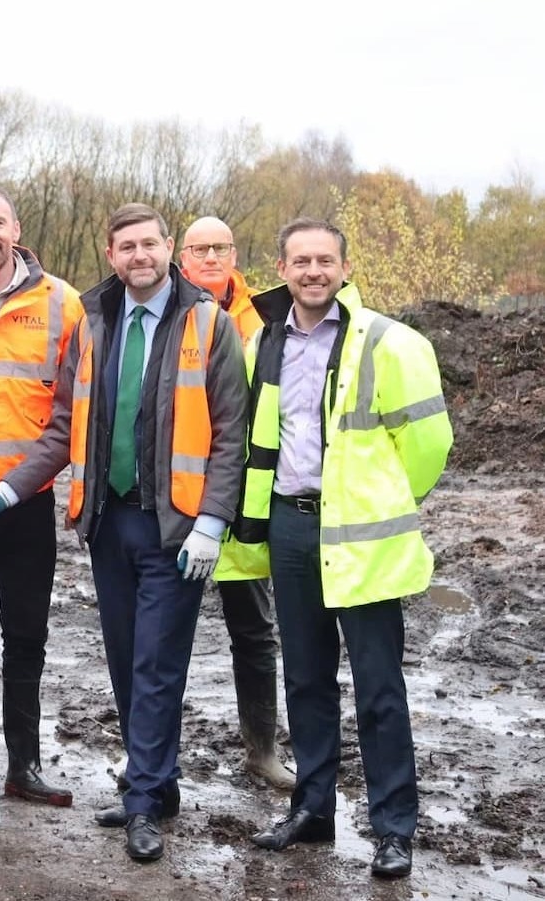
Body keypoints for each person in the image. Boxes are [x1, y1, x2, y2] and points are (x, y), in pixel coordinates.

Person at [0, 203, 248, 862]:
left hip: (175, 527)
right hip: (108, 522)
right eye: (126, 246)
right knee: (124, 658)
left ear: (167, 247)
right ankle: (160, 780)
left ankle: (143, 798)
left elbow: (233, 430)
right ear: (111, 254)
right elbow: (64, 423)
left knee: (154, 662)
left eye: (150, 243)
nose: (139, 255)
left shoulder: (208, 323)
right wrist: (10, 486)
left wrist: (213, 519)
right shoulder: (94, 323)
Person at [220, 219, 451, 878]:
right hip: (289, 529)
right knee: (306, 677)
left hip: (361, 535)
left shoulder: (388, 342)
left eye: (325, 260)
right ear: (283, 267)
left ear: (345, 268)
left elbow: (429, 444)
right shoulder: (262, 341)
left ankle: (393, 827)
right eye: (301, 260)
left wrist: (381, 500)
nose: (313, 270)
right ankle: (313, 809)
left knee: (380, 687)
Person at [0, 184, 84, 806]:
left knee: (26, 634)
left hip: (24, 501)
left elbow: (72, 416)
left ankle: (22, 767)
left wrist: (16, 485)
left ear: (16, 227)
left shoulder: (64, 305)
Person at [176, 217, 294, 790]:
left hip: (245, 504)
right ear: (183, 255)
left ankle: (262, 750)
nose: (212, 257)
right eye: (200, 249)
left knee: (255, 633)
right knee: (161, 635)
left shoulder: (265, 317)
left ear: (234, 253)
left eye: (221, 248)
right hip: (178, 500)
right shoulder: (166, 308)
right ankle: (151, 757)